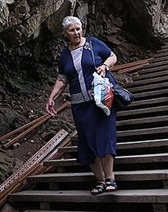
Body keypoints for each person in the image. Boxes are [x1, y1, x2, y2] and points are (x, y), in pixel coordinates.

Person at [46, 16, 119, 195]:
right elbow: (62, 78)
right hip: (80, 105)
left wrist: (104, 66)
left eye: (78, 28)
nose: (76, 33)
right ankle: (100, 180)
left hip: (100, 101)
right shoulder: (65, 55)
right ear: (65, 33)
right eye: (72, 30)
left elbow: (112, 56)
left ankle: (110, 178)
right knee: (87, 141)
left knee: (103, 136)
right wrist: (52, 97)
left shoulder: (93, 44)